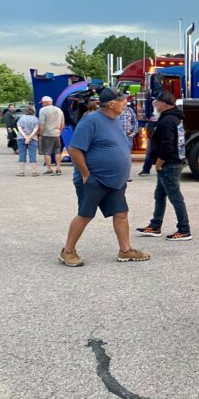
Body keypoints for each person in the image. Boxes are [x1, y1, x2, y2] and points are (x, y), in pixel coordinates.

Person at [59, 87, 150, 267]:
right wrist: (85, 174)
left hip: (115, 181)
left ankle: (125, 251)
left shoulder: (115, 120)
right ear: (111, 104)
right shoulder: (91, 121)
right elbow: (75, 149)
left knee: (121, 213)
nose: (125, 103)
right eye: (122, 101)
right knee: (85, 215)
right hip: (95, 179)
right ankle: (67, 251)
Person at [135, 91, 192, 241]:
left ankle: (184, 229)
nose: (155, 104)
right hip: (171, 162)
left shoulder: (167, 121)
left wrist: (159, 163)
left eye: (157, 102)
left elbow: (167, 145)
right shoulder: (174, 118)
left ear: (165, 104)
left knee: (175, 197)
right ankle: (155, 225)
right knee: (159, 195)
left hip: (169, 164)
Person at [38, 95, 65, 175]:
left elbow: (42, 124)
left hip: (47, 134)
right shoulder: (59, 110)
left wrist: (41, 134)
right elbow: (62, 124)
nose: (42, 104)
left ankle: (49, 169)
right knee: (57, 151)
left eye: (42, 102)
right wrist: (59, 132)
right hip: (57, 134)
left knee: (47, 152)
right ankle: (58, 169)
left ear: (46, 102)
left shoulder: (43, 110)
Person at [16, 106, 40, 176]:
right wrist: (29, 138)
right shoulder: (36, 119)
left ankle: (21, 171)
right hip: (33, 139)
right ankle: (34, 171)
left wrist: (25, 137)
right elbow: (36, 129)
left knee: (22, 154)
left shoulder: (21, 119)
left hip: (21, 138)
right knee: (32, 154)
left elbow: (19, 129)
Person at [137, 112, 158, 177]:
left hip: (159, 137)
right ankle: (146, 170)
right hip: (152, 138)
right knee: (149, 154)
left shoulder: (165, 115)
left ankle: (160, 169)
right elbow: (150, 127)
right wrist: (150, 136)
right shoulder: (154, 114)